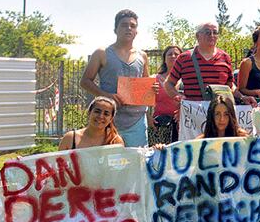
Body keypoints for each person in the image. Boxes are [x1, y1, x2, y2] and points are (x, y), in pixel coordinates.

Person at [81, 9, 154, 147]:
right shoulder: (101, 53)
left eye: (133, 26)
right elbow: (85, 81)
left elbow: (145, 86)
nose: (129, 28)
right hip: (108, 119)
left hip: (137, 120)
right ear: (115, 29)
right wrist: (106, 95)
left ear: (136, 31)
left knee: (137, 158)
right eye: (124, 25)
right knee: (108, 158)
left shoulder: (142, 56)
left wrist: (152, 88)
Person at [163, 21, 252, 106]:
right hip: (193, 113)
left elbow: (230, 86)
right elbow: (168, 83)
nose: (212, 35)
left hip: (218, 114)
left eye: (215, 32)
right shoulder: (184, 58)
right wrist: (178, 96)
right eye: (207, 32)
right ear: (198, 36)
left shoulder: (225, 57)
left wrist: (242, 97)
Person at [58, 97, 124, 150]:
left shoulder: (115, 141)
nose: (101, 116)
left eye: (106, 114)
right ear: (89, 113)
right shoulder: (70, 138)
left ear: (111, 119)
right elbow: (58, 161)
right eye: (97, 111)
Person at [152, 45, 182, 143]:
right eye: (170, 54)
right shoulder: (154, 79)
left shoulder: (187, 79)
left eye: (176, 54)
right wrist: (148, 118)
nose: (173, 56)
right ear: (164, 59)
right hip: (161, 125)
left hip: (182, 125)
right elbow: (145, 102)